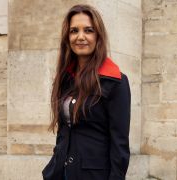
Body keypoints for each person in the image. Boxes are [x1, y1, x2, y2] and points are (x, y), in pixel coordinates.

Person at [42, 4, 131, 180]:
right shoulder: (66, 78)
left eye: (88, 30)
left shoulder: (115, 82)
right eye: (74, 31)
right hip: (61, 173)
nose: (80, 37)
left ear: (98, 36)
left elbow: (119, 143)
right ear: (67, 37)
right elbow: (64, 131)